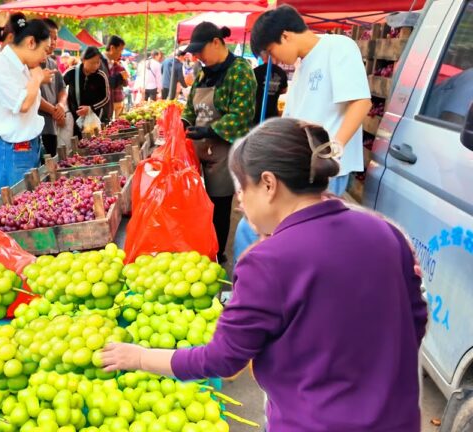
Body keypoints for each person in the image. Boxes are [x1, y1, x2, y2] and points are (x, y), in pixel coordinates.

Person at [103, 117, 427, 432]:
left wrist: (140, 357)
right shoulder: (385, 233)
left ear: (269, 184)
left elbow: (223, 360)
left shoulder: (268, 261)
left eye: (242, 188)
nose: (240, 202)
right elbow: (415, 319)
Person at [250, 5, 371, 196]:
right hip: (302, 168)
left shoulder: (337, 46)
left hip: (325, 171)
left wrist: (333, 149)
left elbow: (361, 102)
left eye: (271, 51)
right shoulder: (302, 63)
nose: (274, 59)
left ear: (286, 36)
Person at [181, 22, 257, 264]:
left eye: (200, 51)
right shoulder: (204, 73)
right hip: (197, 147)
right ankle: (198, 247)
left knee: (219, 204)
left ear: (216, 42)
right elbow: (190, 105)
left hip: (224, 148)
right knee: (196, 202)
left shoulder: (240, 71)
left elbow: (242, 114)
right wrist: (183, 122)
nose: (197, 57)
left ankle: (217, 252)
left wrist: (210, 130)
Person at [0, 13, 49, 194]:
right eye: (45, 50)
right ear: (31, 43)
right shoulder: (0, 63)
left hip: (28, 146)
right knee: (14, 211)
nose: (45, 57)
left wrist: (36, 76)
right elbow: (24, 104)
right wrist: (37, 78)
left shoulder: (22, 66)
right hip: (12, 151)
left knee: (28, 209)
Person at [64, 46, 111, 137]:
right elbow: (60, 88)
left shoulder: (101, 76)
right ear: (84, 60)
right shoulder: (71, 72)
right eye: (92, 63)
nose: (96, 66)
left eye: (98, 63)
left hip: (94, 119)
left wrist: (90, 108)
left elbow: (106, 98)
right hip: (74, 119)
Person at [38, 19, 67, 159]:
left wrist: (61, 105)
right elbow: (32, 96)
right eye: (51, 37)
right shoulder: (31, 64)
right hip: (37, 130)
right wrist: (54, 111)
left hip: (51, 128)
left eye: (56, 38)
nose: (53, 42)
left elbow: (62, 88)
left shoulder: (52, 63)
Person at [252, 52, 288, 125]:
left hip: (256, 113)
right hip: (273, 114)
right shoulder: (281, 72)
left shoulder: (255, 71)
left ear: (262, 57)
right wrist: (274, 89)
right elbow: (284, 90)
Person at [101, 35, 127, 119]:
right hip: (100, 109)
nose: (121, 54)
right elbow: (106, 84)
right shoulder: (100, 62)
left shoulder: (111, 63)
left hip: (108, 108)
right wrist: (120, 76)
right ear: (112, 48)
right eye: (120, 50)